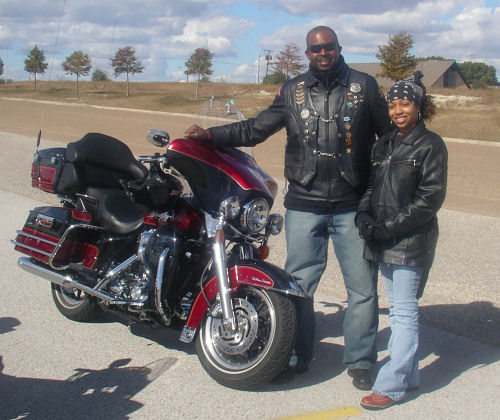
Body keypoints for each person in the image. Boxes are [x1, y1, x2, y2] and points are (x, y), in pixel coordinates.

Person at [184, 25, 391, 389]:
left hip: (352, 205)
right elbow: (256, 129)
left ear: (339, 48)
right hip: (304, 204)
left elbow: (387, 139)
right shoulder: (292, 91)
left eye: (328, 47)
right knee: (297, 285)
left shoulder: (365, 86)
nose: (322, 53)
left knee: (362, 288)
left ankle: (360, 360)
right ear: (307, 53)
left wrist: (384, 190)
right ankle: (296, 353)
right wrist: (212, 135)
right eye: (315, 49)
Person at [355, 71, 448, 409]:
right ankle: (409, 376)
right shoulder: (385, 143)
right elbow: (371, 186)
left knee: (403, 312)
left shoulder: (431, 145)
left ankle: (391, 386)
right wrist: (364, 215)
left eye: (404, 103)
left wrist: (389, 228)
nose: (397, 110)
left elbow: (429, 199)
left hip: (410, 240)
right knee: (397, 311)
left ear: (419, 106)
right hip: (382, 237)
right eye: (393, 105)